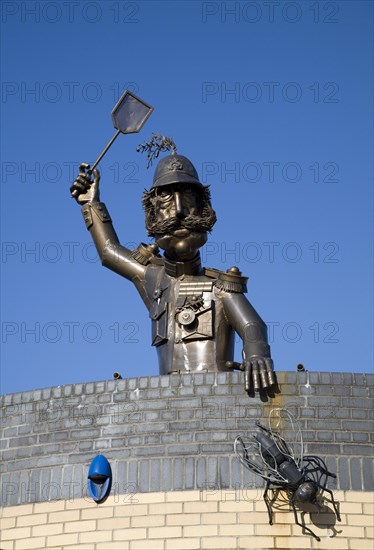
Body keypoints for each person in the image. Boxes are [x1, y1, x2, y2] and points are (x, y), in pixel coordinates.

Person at [70, 152, 276, 393]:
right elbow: (108, 252)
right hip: (170, 401)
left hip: (215, 396)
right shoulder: (154, 279)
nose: (178, 211)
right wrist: (90, 203)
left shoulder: (220, 288)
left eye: (187, 196)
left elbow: (253, 325)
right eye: (167, 196)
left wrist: (256, 354)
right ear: (152, 211)